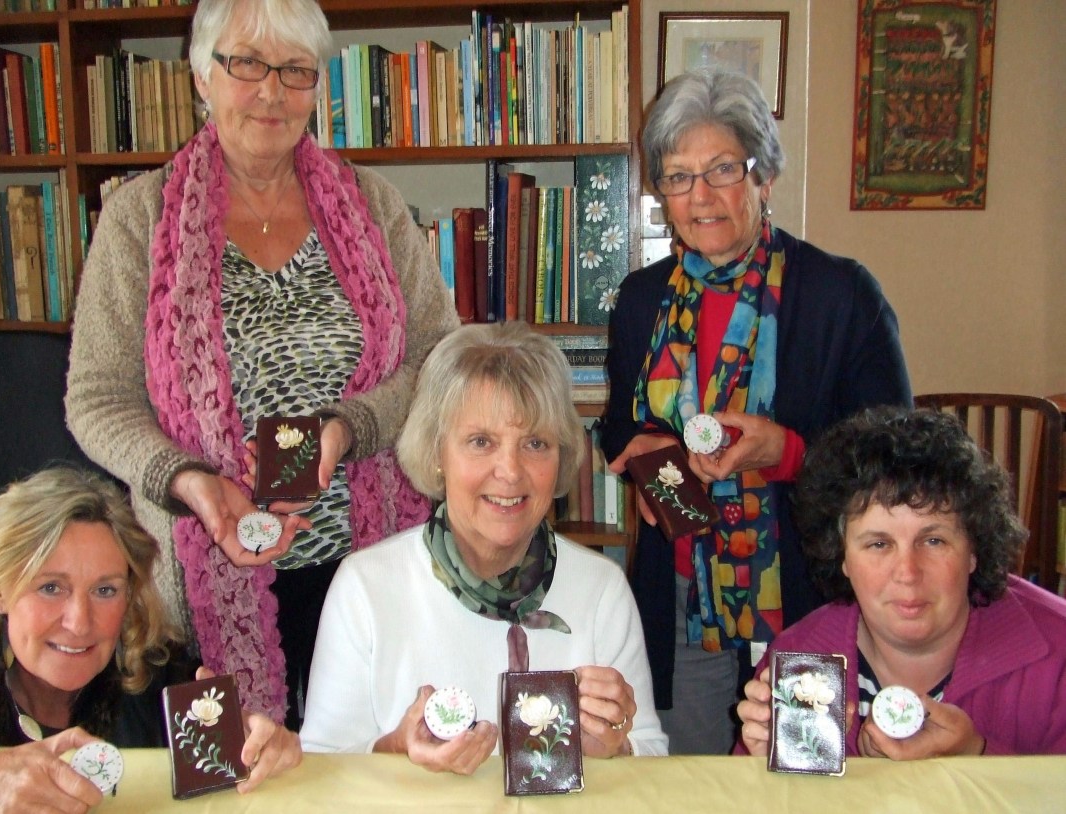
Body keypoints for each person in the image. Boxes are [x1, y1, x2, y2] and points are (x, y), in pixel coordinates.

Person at [65, 0, 460, 727]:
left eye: (295, 70)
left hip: (367, 565)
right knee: (238, 773)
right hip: (204, 570)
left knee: (368, 765)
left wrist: (348, 428)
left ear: (317, 86)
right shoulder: (137, 219)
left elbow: (439, 356)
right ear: (202, 76)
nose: (271, 92)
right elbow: (96, 398)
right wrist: (187, 480)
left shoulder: (374, 205)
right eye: (246, 64)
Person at [601, 67, 912, 754]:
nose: (700, 196)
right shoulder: (642, 300)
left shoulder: (839, 295)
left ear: (763, 176)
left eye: (722, 169)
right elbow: (620, 423)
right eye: (677, 177)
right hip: (684, 586)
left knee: (805, 768)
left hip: (809, 589)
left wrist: (789, 453)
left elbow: (897, 455)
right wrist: (644, 452)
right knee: (692, 777)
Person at [300, 322, 668, 770]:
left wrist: (619, 748)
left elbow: (652, 758)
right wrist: (395, 751)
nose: (510, 471)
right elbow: (321, 767)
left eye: (535, 443)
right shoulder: (366, 586)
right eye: (481, 442)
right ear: (437, 453)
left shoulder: (601, 589)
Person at [737, 406, 1066, 757]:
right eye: (879, 544)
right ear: (841, 556)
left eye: (934, 541)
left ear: (974, 549)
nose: (907, 572)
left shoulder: (1057, 652)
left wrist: (976, 756)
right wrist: (763, 774)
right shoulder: (797, 659)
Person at [0, 468, 301, 812]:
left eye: (105, 590)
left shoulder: (160, 682)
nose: (79, 623)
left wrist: (262, 747)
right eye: (50, 588)